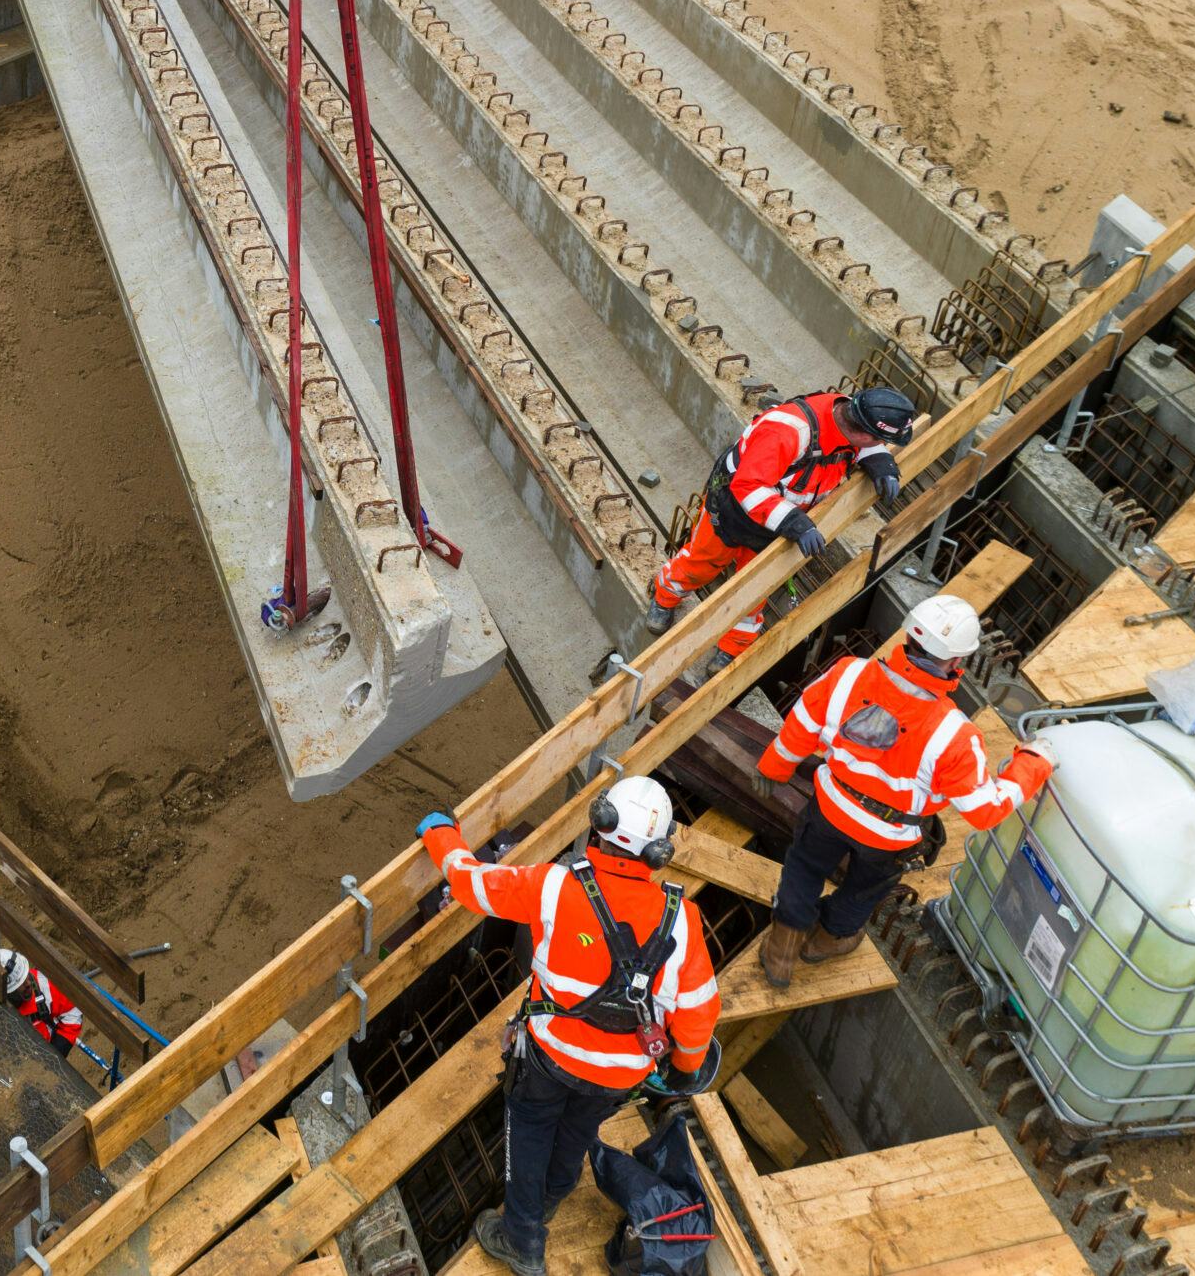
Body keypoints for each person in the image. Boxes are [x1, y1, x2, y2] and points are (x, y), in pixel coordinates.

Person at [417, 778, 719, 1276]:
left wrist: (440, 835)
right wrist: (682, 1069)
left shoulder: (554, 885)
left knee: (530, 1133)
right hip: (619, 1075)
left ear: (598, 825)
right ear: (660, 851)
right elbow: (699, 1016)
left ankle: (522, 1239)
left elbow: (471, 883)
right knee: (577, 1129)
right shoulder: (682, 919)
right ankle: (552, 1197)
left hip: (550, 1057)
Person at [756, 594, 1054, 986]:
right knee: (863, 889)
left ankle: (782, 950)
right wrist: (1034, 762)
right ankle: (826, 942)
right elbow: (984, 811)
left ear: (909, 636)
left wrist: (773, 768)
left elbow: (801, 725)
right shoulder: (956, 734)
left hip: (831, 806)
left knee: (805, 867)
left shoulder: (848, 674)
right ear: (957, 662)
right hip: (890, 836)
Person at [645, 386, 915, 656]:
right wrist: (796, 523)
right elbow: (748, 486)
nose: (881, 447)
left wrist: (881, 461)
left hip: (778, 524)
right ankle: (664, 598)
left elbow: (854, 444)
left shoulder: (846, 416)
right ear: (866, 433)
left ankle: (732, 649)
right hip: (734, 508)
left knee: (755, 589)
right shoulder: (789, 431)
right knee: (703, 562)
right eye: (879, 442)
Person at [0, 948, 82, 1054]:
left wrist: (59, 1049)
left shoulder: (44, 986)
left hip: (45, 1048)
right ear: (9, 992)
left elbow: (73, 1012)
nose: (28, 984)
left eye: (26, 976)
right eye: (21, 984)